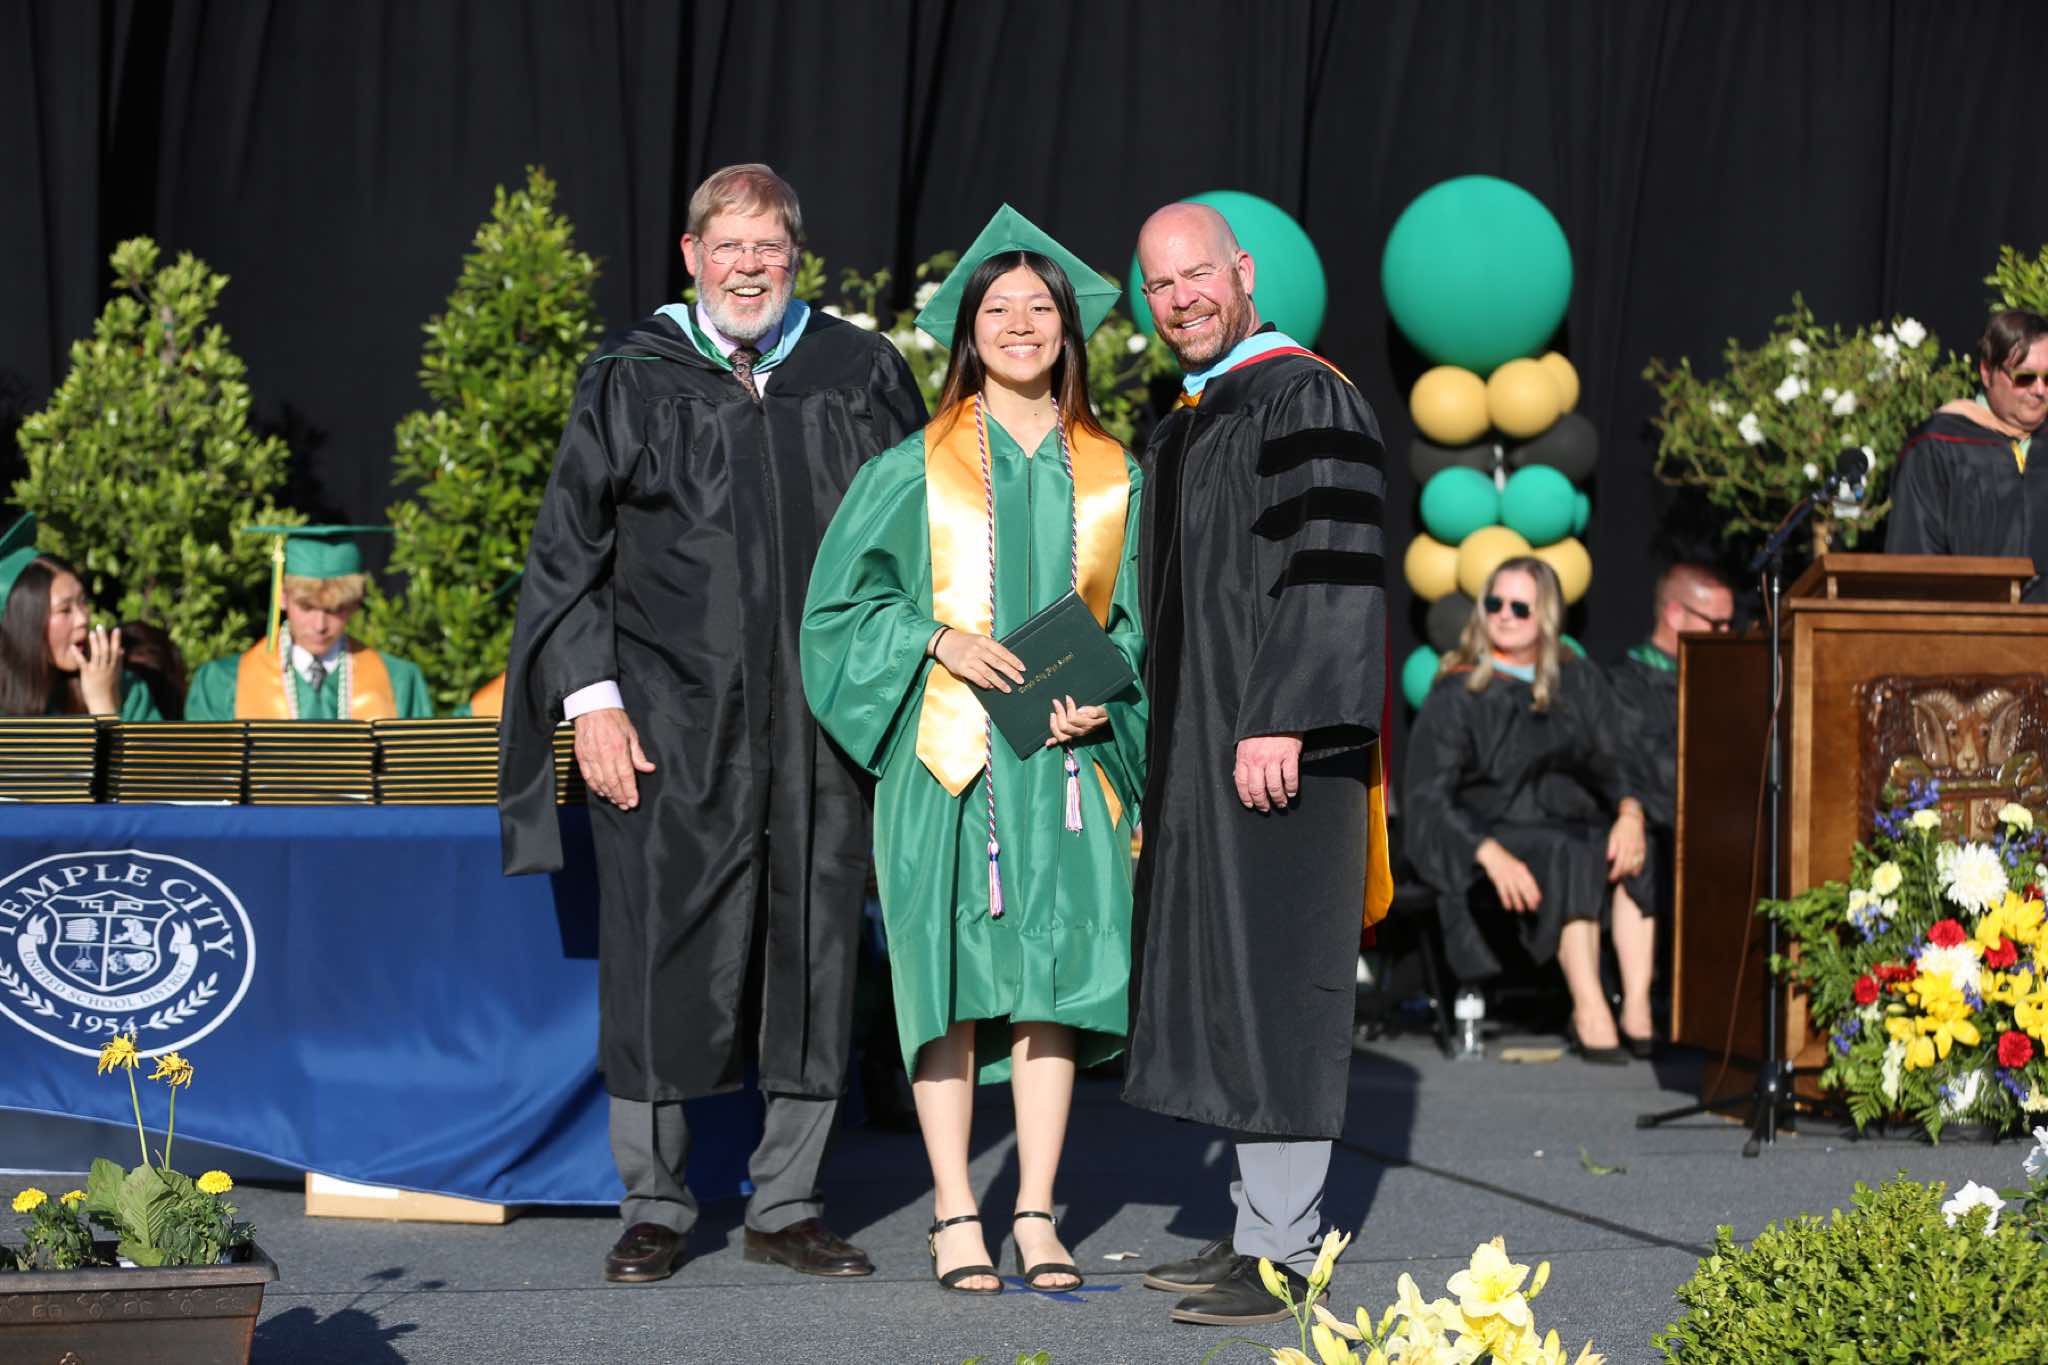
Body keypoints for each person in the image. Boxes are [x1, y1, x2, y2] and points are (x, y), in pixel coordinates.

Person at [498, 164, 926, 1286]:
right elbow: (568, 556)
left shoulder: (858, 372)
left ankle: (787, 1202)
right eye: (727, 246)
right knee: (657, 945)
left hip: (821, 724)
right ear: (690, 255)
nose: (747, 267)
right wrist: (590, 702)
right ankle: (653, 1202)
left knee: (815, 945)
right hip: (668, 724)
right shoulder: (633, 376)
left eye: (767, 247)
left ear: (795, 257)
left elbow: (924, 537)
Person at [801, 206, 1145, 1295]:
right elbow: (838, 613)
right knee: (944, 983)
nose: (1021, 324)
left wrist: (1106, 699)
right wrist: (933, 638)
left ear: (1068, 330)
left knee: (1054, 982)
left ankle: (1036, 1210)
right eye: (999, 308)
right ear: (968, 331)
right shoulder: (912, 467)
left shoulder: (1116, 475)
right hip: (948, 767)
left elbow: (1142, 628)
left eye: (1041, 307)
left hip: (1069, 771)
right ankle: (955, 1209)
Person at [1121, 202, 1392, 1327]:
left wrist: (1283, 715)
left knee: (1278, 978)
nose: (1180, 299)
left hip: (1281, 746)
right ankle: (1255, 1230)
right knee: (1232, 976)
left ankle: (1284, 1251)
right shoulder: (1190, 415)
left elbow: (1333, 564)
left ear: (1241, 272)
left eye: (1196, 276)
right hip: (1207, 749)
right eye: (1159, 285)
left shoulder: (1303, 395)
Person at [1405, 557, 1649, 1064]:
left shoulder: (1576, 679)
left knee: (1631, 850)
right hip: (1490, 829)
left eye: (1520, 607)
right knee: (1571, 850)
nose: (1504, 615)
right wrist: (1487, 852)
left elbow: (1614, 757)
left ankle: (1637, 1008)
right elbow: (1429, 795)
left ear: (1547, 616)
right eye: (1495, 603)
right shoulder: (1459, 689)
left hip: (1567, 819)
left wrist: (1630, 813)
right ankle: (1591, 1010)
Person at [184, 526, 434, 720]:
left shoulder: (399, 681)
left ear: (355, 604)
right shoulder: (223, 682)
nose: (320, 625)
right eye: (307, 607)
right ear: (282, 597)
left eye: (334, 610)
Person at [1887, 309, 2048, 600]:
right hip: (1968, 622)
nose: (2040, 390)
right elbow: (1914, 561)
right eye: (2025, 378)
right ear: (1987, 372)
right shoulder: (1938, 445)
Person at [0, 513, 162, 720]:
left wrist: (103, 703)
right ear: (23, 625)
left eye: (83, 602)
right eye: (65, 610)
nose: (83, 619)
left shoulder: (123, 687)